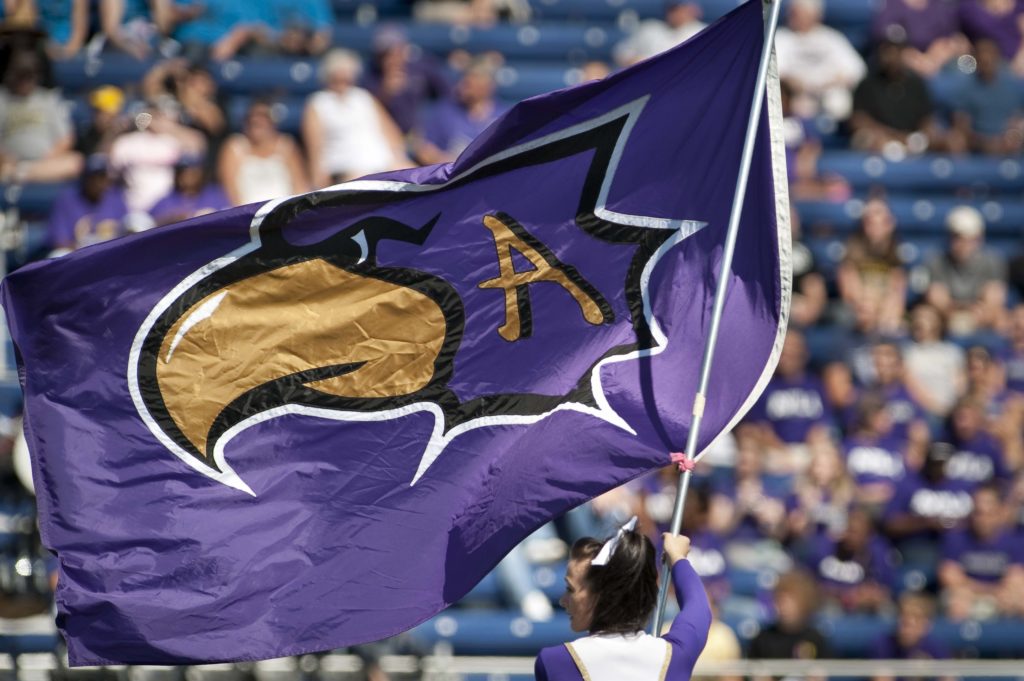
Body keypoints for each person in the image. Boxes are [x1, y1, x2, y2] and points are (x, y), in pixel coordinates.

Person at [534, 524, 711, 681]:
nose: (563, 601)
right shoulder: (675, 655)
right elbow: (699, 607)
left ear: (602, 595)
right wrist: (678, 558)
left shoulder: (554, 661)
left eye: (571, 589)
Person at [302, 49, 411, 188]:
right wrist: (319, 181)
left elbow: (392, 134)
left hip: (384, 163)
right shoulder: (317, 103)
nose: (343, 80)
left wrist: (400, 160)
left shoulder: (364, 97)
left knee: (417, 176)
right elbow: (315, 150)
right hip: (346, 170)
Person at [850, 39, 960, 155]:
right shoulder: (868, 84)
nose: (892, 56)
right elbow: (858, 120)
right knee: (871, 139)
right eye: (888, 51)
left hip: (913, 140)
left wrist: (924, 135)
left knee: (951, 141)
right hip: (882, 139)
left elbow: (927, 119)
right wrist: (893, 135)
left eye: (897, 51)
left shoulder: (915, 84)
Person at [939, 483, 1024, 620]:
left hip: (999, 596)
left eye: (989, 513)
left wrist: (989, 592)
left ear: (1000, 512)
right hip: (968, 596)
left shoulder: (1016, 539)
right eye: (978, 513)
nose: (982, 519)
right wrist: (989, 591)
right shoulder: (956, 537)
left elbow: (1017, 579)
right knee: (957, 603)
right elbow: (948, 577)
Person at [774, 0, 866, 120]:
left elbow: (857, 69)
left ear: (815, 15)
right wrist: (794, 84)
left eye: (801, 13)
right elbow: (774, 70)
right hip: (795, 95)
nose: (794, 17)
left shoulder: (832, 38)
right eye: (793, 13)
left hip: (827, 92)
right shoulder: (781, 37)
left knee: (838, 101)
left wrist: (831, 82)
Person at [0, 49, 82, 183]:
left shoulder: (48, 99)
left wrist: (48, 158)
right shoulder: (2, 99)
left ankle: (21, 174)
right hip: (9, 162)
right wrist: (4, 157)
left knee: (76, 161)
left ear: (37, 75)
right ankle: (24, 173)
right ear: (11, 73)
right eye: (21, 74)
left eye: (29, 75)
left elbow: (66, 139)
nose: (24, 80)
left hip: (44, 162)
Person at [924, 205, 1008, 335]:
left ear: (979, 239)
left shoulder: (992, 261)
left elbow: (994, 299)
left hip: (980, 314)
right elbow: (936, 297)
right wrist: (954, 312)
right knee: (926, 316)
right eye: (958, 237)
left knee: (1002, 320)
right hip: (947, 316)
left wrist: (975, 314)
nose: (963, 244)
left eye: (969, 238)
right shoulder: (936, 261)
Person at [413, 60, 508, 165]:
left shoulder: (503, 117)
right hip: (451, 176)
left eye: (468, 84)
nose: (461, 87)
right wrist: (451, 163)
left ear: (487, 86)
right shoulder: (445, 111)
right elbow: (423, 150)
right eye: (462, 81)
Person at [836, 198, 907, 335]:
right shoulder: (851, 250)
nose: (875, 228)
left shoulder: (895, 253)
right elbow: (849, 293)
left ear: (890, 224)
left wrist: (886, 310)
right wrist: (868, 306)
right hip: (859, 308)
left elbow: (897, 292)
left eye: (881, 222)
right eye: (870, 223)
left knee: (896, 322)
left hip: (884, 310)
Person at [218, 99, 309, 206]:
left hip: (283, 212)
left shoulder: (286, 146)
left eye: (263, 117)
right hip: (246, 213)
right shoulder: (235, 146)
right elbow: (229, 189)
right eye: (253, 117)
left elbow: (300, 185)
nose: (257, 120)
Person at [950, 39, 1024, 155]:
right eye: (982, 54)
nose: (986, 59)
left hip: (1011, 148)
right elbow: (961, 128)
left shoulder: (1014, 88)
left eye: (990, 54)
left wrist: (1013, 138)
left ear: (997, 57)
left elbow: (1017, 120)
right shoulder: (965, 89)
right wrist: (986, 144)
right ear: (976, 58)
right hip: (976, 149)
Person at [747, 569, 830, 662]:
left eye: (790, 601)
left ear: (803, 602)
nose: (784, 607)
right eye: (780, 601)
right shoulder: (763, 639)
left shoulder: (815, 639)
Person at [872, 0, 967, 77]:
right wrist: (916, 60)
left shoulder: (940, 5)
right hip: (906, 69)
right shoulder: (891, 6)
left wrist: (939, 55)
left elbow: (957, 40)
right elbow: (886, 44)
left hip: (940, 66)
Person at [612, 1, 706, 67]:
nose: (678, 13)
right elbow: (621, 51)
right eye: (674, 9)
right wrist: (632, 60)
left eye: (682, 9)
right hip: (648, 78)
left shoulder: (702, 31)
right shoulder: (650, 28)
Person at [148, 153, 230, 226]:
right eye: (183, 172)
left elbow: (226, 216)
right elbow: (149, 221)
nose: (188, 176)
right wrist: (171, 218)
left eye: (193, 172)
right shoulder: (168, 199)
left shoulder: (215, 195)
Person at [958, 0, 1024, 74]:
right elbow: (958, 38)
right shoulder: (968, 9)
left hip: (1016, 66)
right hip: (983, 68)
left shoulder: (1020, 6)